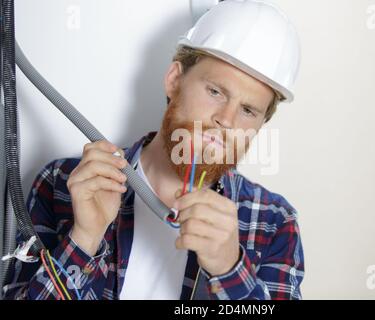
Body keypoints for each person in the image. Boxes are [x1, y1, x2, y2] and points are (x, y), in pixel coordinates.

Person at [3, 0, 304, 300]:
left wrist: (230, 271)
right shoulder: (65, 183)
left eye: (248, 110)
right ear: (174, 80)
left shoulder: (273, 222)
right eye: (215, 91)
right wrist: (83, 240)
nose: (225, 120)